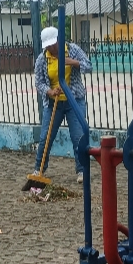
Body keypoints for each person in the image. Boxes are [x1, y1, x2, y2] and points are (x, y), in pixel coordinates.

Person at [33, 26, 92, 184]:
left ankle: (82, 170)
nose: (51, 48)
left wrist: (73, 62)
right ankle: (39, 169)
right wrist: (50, 91)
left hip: (74, 100)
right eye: (48, 46)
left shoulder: (72, 50)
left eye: (53, 44)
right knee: (45, 138)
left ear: (59, 40)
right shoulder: (42, 59)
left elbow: (89, 66)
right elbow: (39, 82)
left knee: (78, 137)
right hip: (54, 103)